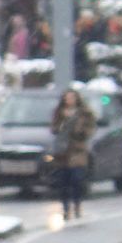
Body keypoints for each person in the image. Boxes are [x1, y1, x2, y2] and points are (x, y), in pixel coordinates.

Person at [46, 83, 98, 222]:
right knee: (63, 181)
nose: (69, 100)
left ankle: (77, 205)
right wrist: (60, 126)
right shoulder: (58, 112)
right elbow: (54, 128)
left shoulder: (85, 113)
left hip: (77, 151)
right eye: (67, 98)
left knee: (77, 180)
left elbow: (90, 128)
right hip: (62, 152)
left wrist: (81, 132)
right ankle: (65, 208)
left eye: (72, 97)